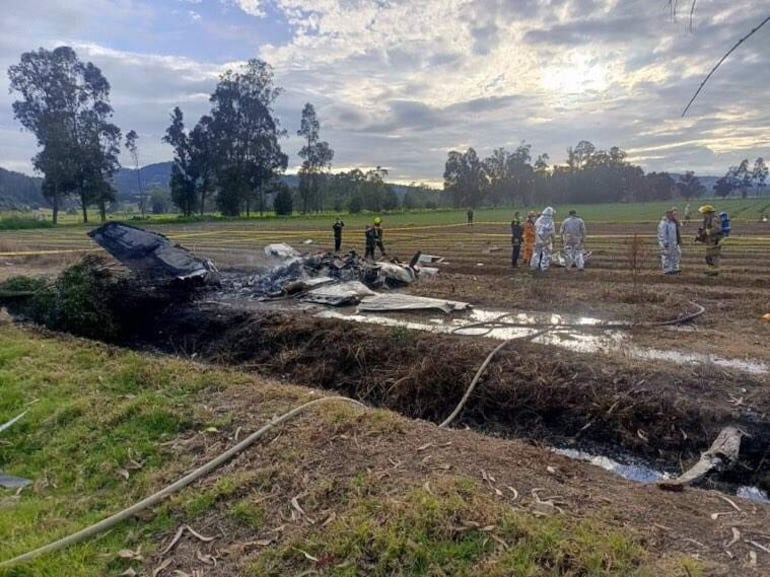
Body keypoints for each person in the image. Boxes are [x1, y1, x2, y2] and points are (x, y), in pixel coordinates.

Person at [695, 204, 723, 276]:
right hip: (710, 241)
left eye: (704, 213)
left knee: (713, 256)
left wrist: (707, 232)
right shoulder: (708, 219)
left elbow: (717, 229)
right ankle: (711, 270)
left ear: (708, 213)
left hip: (714, 241)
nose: (703, 215)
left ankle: (714, 271)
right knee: (709, 256)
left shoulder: (714, 219)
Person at [530, 207, 556, 272]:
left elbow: (535, 228)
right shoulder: (550, 221)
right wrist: (553, 239)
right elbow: (552, 232)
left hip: (538, 240)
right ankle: (544, 267)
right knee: (546, 254)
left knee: (536, 253)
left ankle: (534, 266)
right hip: (546, 240)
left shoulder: (538, 220)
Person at [657, 209, 680, 274]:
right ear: (667, 215)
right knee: (666, 256)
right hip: (666, 243)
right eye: (671, 214)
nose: (672, 216)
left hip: (673, 242)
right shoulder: (663, 223)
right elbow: (662, 234)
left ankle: (674, 268)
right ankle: (667, 270)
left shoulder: (672, 223)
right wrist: (665, 242)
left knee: (674, 255)